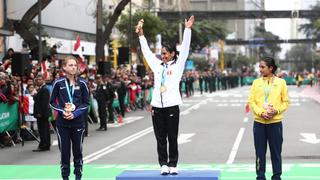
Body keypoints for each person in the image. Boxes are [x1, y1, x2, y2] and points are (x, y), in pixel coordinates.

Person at [136, 15, 194, 175]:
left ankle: (173, 164)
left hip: (172, 105)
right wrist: (141, 35)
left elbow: (186, 49)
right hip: (157, 106)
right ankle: (163, 164)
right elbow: (147, 52)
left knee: (172, 137)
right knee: (160, 137)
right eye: (162, 53)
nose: (163, 55)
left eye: (166, 53)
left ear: (173, 54)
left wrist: (187, 29)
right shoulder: (157, 65)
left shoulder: (178, 65)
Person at [248, 57, 290, 180]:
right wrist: (261, 113)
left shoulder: (281, 83)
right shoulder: (256, 82)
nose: (260, 69)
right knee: (260, 153)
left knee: (276, 153)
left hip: (275, 123)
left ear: (271, 68)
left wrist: (276, 111)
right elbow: (251, 101)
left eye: (262, 67)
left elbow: (286, 102)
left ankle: (277, 177)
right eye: (259, 67)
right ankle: (260, 177)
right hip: (259, 123)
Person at [50, 56, 89, 180]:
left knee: (77, 151)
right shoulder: (58, 83)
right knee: (65, 153)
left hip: (78, 123)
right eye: (70, 65)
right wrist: (62, 111)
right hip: (62, 124)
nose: (73, 67)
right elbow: (52, 102)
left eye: (75, 65)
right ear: (64, 67)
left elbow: (86, 103)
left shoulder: (82, 83)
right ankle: (65, 177)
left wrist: (75, 113)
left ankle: (78, 176)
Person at [33, 74, 51, 151]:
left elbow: (44, 103)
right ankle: (44, 144)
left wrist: (40, 113)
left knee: (43, 129)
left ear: (43, 80)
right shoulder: (41, 89)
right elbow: (38, 100)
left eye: (40, 79)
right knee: (43, 129)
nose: (38, 81)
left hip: (42, 113)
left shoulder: (44, 89)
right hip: (42, 113)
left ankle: (45, 145)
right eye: (37, 79)